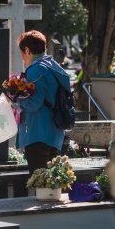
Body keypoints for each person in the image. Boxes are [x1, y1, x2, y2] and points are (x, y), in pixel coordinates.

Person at [15, 30, 71, 175]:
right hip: (55, 132)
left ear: (27, 50)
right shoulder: (52, 66)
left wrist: (15, 101)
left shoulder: (35, 70)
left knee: (41, 184)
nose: (22, 57)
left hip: (38, 133)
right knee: (53, 182)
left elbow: (34, 104)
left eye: (22, 53)